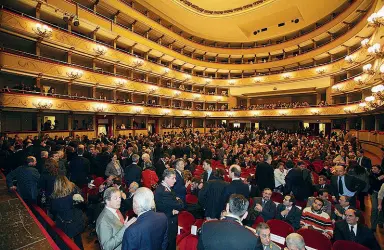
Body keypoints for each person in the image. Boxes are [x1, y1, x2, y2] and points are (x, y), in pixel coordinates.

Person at [50, 176, 85, 249]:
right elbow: (82, 201)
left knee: (64, 243)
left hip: (62, 223)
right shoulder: (72, 194)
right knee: (78, 239)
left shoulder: (53, 198)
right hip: (75, 222)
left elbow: (53, 211)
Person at [154, 168, 184, 250]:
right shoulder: (164, 191)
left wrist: (177, 202)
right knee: (169, 245)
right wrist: (178, 201)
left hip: (169, 220)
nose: (175, 180)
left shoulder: (166, 188)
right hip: (168, 222)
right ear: (166, 178)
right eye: (173, 178)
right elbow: (180, 205)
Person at [369, 165, 384, 231]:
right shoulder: (371, 175)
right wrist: (378, 179)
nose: (373, 169)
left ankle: (380, 221)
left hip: (383, 194)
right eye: (372, 168)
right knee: (375, 208)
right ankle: (373, 226)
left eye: (375, 168)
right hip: (375, 193)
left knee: (382, 208)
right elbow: (372, 184)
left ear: (379, 170)